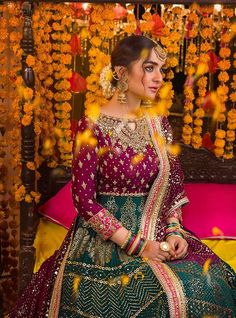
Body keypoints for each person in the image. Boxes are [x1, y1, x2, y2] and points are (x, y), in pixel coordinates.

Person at [8, 35, 236, 318]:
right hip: (106, 241)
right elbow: (85, 201)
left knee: (210, 281)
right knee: (133, 297)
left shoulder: (159, 125)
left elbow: (173, 187)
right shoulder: (92, 126)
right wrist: (140, 246)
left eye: (161, 70)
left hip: (158, 232)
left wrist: (175, 232)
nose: (160, 78)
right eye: (150, 68)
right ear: (121, 72)